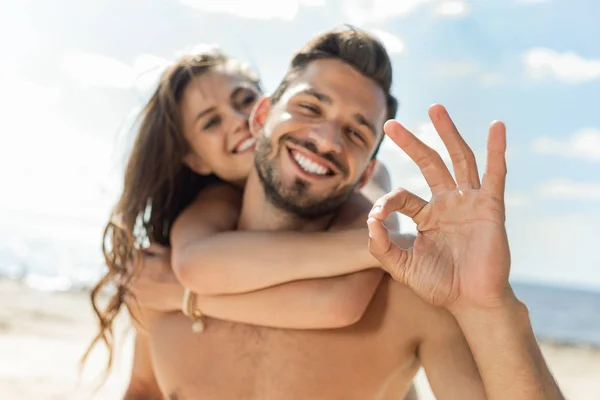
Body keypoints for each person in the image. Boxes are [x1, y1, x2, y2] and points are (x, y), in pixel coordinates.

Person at [131, 25, 564, 399]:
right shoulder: (159, 279)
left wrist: (491, 306)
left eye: (356, 132)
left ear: (367, 173)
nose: (326, 139)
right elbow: (144, 391)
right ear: (261, 117)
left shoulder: (409, 299)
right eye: (310, 107)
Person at [82, 46, 417, 398]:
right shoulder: (211, 206)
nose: (239, 121)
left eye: (244, 99)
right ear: (195, 159)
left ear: (266, 107)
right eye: (211, 122)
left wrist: (183, 297)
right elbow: (195, 267)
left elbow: (342, 299)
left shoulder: (363, 175)